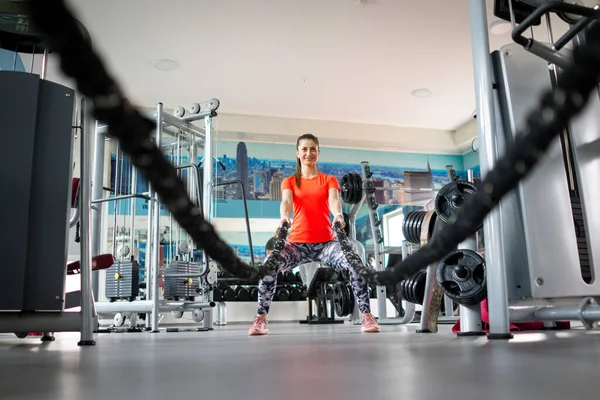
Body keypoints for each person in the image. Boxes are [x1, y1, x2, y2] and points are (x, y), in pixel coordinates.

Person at [249, 133, 380, 335]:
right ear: (298, 153)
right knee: (269, 264)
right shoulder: (290, 181)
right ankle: (261, 319)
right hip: (296, 245)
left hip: (326, 245)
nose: (308, 153)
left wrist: (337, 215)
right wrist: (284, 217)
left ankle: (366, 316)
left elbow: (334, 200)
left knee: (355, 262)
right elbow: (286, 202)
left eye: (312, 149)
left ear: (318, 152)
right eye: (304, 149)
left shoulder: (328, 179)